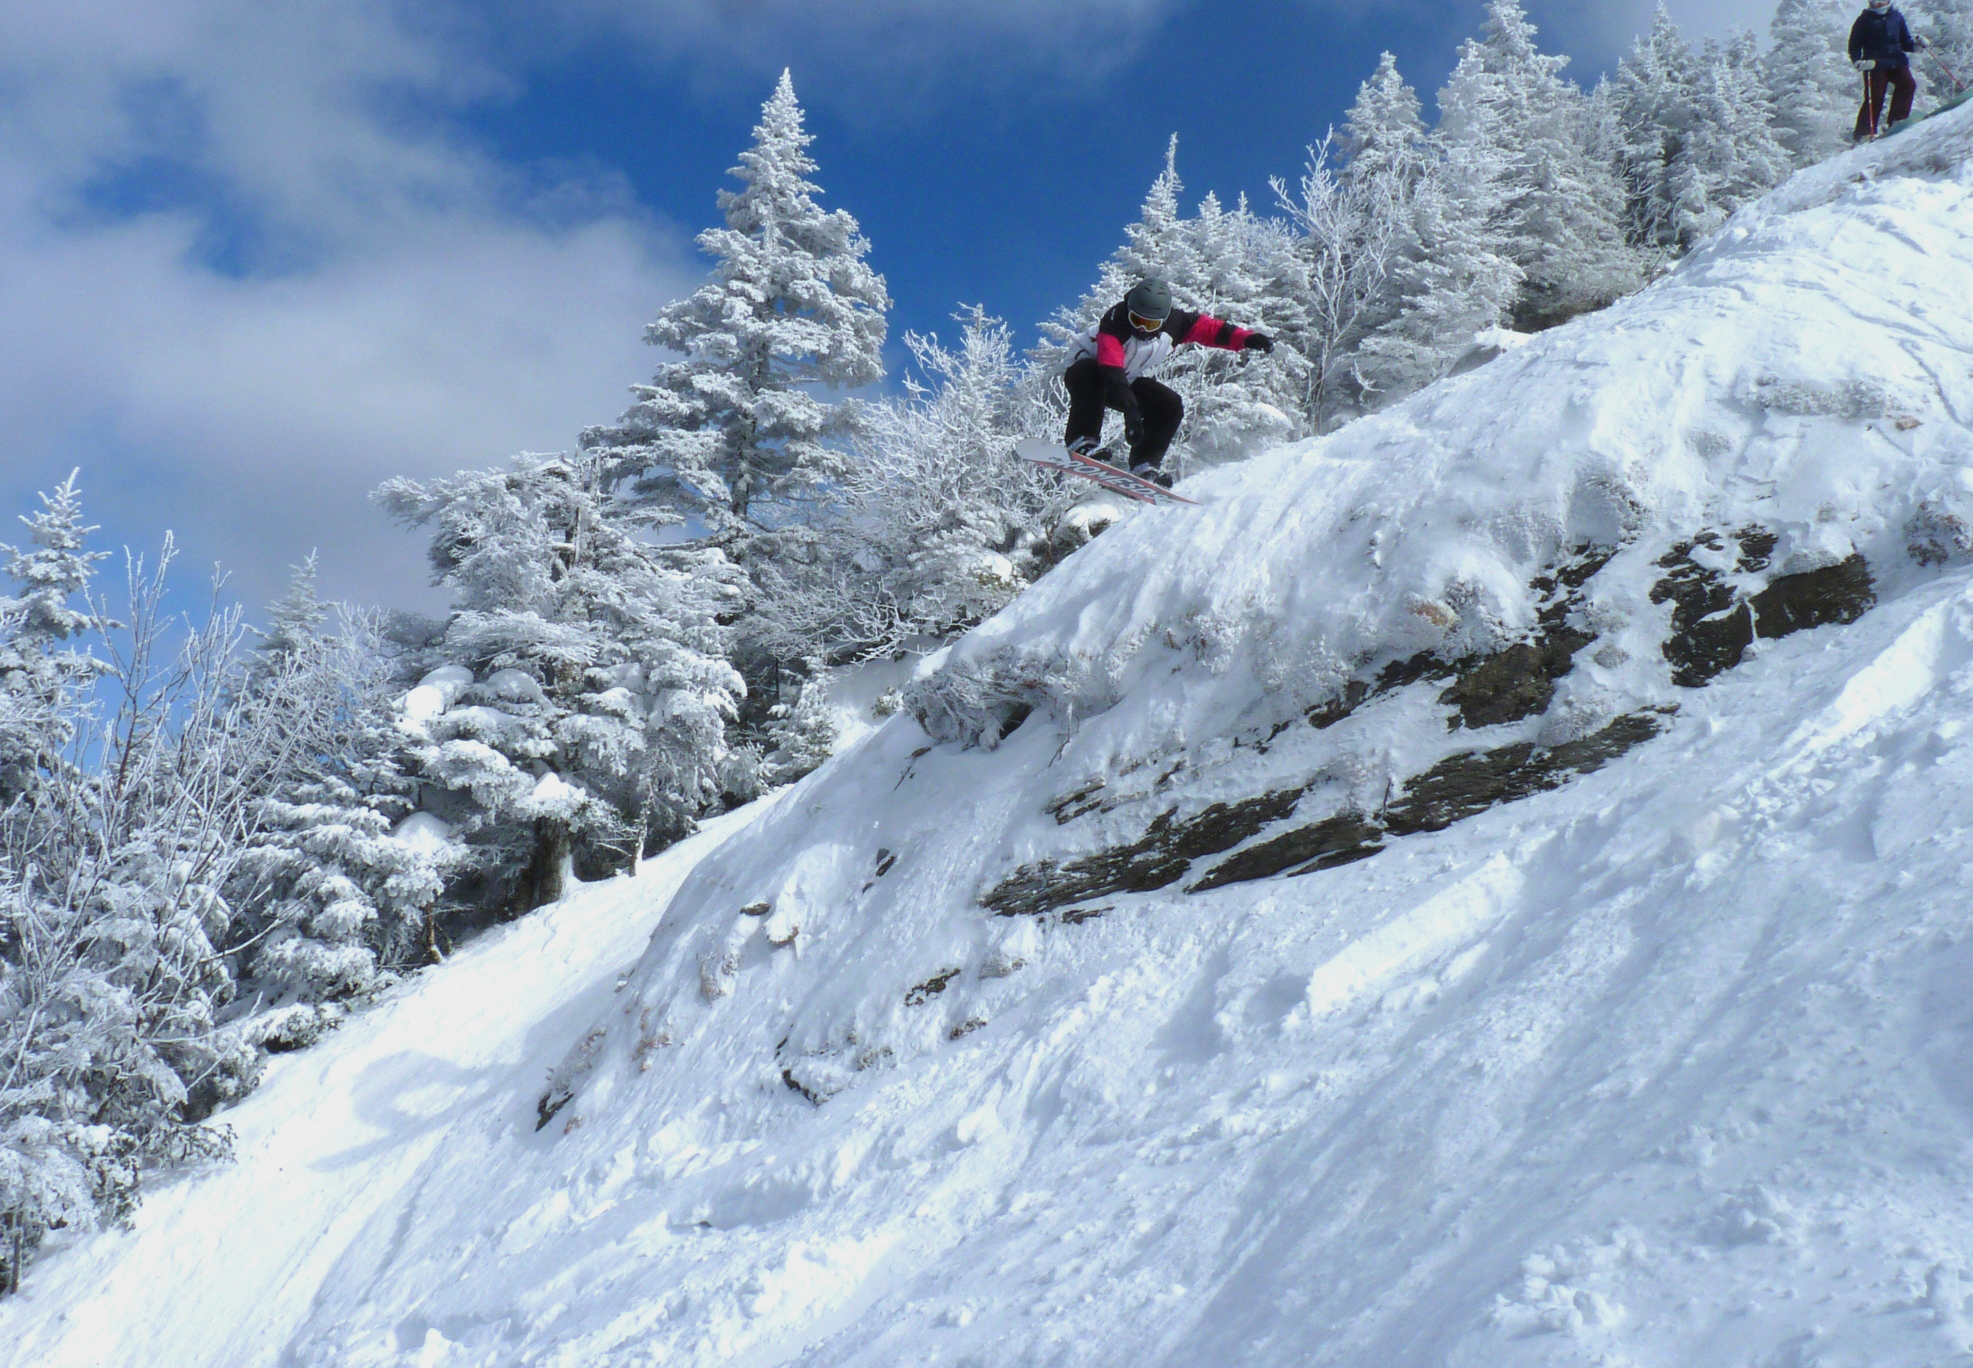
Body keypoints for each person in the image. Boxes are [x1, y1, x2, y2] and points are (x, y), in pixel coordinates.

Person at [1062, 278, 1272, 487]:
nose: (1143, 329)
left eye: (1150, 324)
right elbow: (1111, 368)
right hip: (1090, 371)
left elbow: (1212, 330)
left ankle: (1145, 465)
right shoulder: (1115, 322)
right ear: (1129, 312)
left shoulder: (1177, 324)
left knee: (1169, 404)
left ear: (1163, 320)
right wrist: (1131, 412)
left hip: (1126, 377)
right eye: (1137, 320)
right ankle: (1082, 440)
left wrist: (1245, 339)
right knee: (1091, 374)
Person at [1851, 0, 1924, 140]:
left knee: (1908, 85)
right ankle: (1863, 133)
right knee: (1875, 96)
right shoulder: (1864, 20)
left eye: (1882, 1)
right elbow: (1854, 45)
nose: (1878, 5)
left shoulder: (1896, 16)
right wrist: (1858, 62)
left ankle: (1897, 120)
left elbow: (1905, 41)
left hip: (1897, 61)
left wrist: (1916, 46)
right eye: (1875, 2)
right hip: (1875, 64)